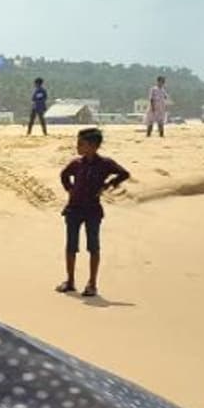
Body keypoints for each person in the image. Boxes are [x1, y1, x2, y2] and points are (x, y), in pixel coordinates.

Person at [56, 128, 130, 298]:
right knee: (71, 246)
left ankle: (92, 283)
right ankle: (70, 281)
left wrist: (108, 185)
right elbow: (64, 175)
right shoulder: (76, 163)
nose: (78, 147)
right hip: (73, 209)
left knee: (93, 247)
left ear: (93, 146)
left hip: (93, 210)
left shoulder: (105, 164)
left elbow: (124, 174)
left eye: (81, 144)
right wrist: (70, 189)